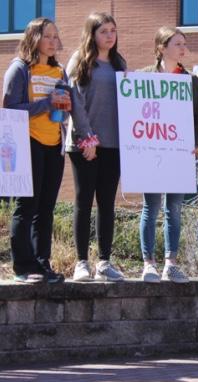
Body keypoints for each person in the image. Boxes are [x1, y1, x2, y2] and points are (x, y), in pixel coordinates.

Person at [3, 17, 71, 283]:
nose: (54, 42)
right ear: (34, 39)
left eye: (56, 36)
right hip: (28, 143)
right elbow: (9, 111)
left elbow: (63, 106)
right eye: (48, 37)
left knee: (46, 208)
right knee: (26, 206)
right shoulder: (19, 69)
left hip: (55, 144)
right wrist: (46, 103)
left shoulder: (60, 70)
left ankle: (43, 264)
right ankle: (22, 266)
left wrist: (65, 106)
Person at [138, 26, 198, 283]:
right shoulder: (143, 78)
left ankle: (170, 263)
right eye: (177, 44)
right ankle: (148, 263)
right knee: (151, 206)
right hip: (152, 152)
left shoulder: (191, 81)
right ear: (161, 47)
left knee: (174, 208)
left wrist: (197, 144)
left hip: (180, 153)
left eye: (184, 44)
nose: (183, 49)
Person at [66, 12, 127, 282]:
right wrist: (86, 138)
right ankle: (81, 262)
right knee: (83, 201)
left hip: (113, 144)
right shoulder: (80, 60)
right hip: (84, 145)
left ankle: (104, 261)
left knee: (106, 204)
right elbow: (73, 101)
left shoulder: (119, 62)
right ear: (92, 34)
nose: (110, 36)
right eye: (104, 31)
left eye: (113, 30)